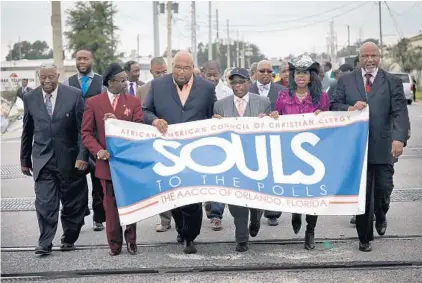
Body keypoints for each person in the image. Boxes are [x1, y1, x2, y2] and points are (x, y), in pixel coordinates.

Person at [331, 42, 409, 252]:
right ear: (359, 58)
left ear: (379, 57)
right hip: (356, 147)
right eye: (365, 56)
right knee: (362, 193)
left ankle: (381, 214)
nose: (370, 60)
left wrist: (398, 138)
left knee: (383, 189)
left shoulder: (391, 81)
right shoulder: (346, 80)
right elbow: (334, 106)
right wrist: (349, 107)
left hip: (384, 146)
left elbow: (399, 111)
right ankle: (364, 238)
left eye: (373, 55)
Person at [143, 50, 216, 254]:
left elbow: (213, 114)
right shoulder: (158, 85)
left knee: (192, 198)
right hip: (168, 152)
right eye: (177, 66)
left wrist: (217, 121)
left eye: (186, 67)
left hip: (196, 152)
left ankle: (190, 236)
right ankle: (181, 229)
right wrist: (154, 120)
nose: (181, 71)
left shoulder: (207, 88)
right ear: (172, 65)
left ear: (193, 68)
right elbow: (145, 111)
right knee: (174, 196)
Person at [20, 63, 88, 256]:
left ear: (58, 76)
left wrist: (83, 156)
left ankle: (69, 237)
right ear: (38, 77)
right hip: (43, 160)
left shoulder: (74, 95)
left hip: (70, 160)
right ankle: (45, 241)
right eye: (43, 78)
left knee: (73, 203)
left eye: (51, 77)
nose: (47, 81)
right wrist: (24, 160)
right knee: (45, 202)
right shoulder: (30, 97)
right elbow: (27, 131)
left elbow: (83, 130)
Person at [81, 63, 144, 256]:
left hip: (129, 163)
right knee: (110, 206)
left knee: (131, 203)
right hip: (106, 164)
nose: (126, 83)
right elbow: (86, 133)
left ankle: (131, 241)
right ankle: (114, 244)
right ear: (110, 82)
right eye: (122, 80)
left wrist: (117, 123)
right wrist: (98, 151)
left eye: (126, 79)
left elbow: (140, 128)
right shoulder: (94, 103)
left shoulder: (133, 102)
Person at [269, 54, 330, 250]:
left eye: (305, 73)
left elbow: (330, 126)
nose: (301, 76)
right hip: (290, 152)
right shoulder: (283, 96)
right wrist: (274, 115)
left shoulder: (322, 97)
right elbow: (276, 117)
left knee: (312, 194)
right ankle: (295, 212)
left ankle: (310, 230)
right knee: (295, 190)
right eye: (298, 73)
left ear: (312, 76)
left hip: (315, 153)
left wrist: (324, 116)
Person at [213, 67, 270, 252]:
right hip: (232, 162)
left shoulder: (263, 102)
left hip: (256, 160)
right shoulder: (220, 105)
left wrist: (271, 118)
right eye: (234, 83)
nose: (238, 86)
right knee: (236, 202)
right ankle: (241, 239)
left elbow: (272, 130)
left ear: (249, 82)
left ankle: (256, 217)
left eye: (241, 82)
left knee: (255, 200)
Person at [63, 49, 106, 232]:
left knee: (99, 182)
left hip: (97, 140)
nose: (82, 61)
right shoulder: (67, 84)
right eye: (79, 58)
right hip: (75, 141)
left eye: (85, 58)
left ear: (92, 60)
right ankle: (79, 216)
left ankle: (99, 217)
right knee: (76, 183)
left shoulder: (102, 82)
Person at [136, 57, 172, 233]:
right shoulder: (142, 90)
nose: (162, 75)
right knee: (159, 183)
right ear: (151, 72)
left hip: (174, 142)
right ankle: (165, 220)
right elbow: (139, 116)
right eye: (158, 72)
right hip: (152, 143)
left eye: (165, 71)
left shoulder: (175, 86)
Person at [249, 59, 284, 226]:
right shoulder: (246, 90)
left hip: (275, 141)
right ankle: (255, 211)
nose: (265, 74)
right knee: (255, 178)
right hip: (252, 141)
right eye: (262, 71)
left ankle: (272, 212)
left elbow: (287, 113)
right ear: (255, 73)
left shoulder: (282, 91)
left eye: (269, 72)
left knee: (273, 177)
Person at [201, 60, 232, 231]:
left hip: (222, 141)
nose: (212, 78)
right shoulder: (198, 91)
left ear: (220, 73)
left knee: (221, 177)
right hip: (203, 141)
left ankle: (216, 215)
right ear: (203, 73)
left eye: (215, 74)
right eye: (209, 74)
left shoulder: (227, 92)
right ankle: (208, 201)